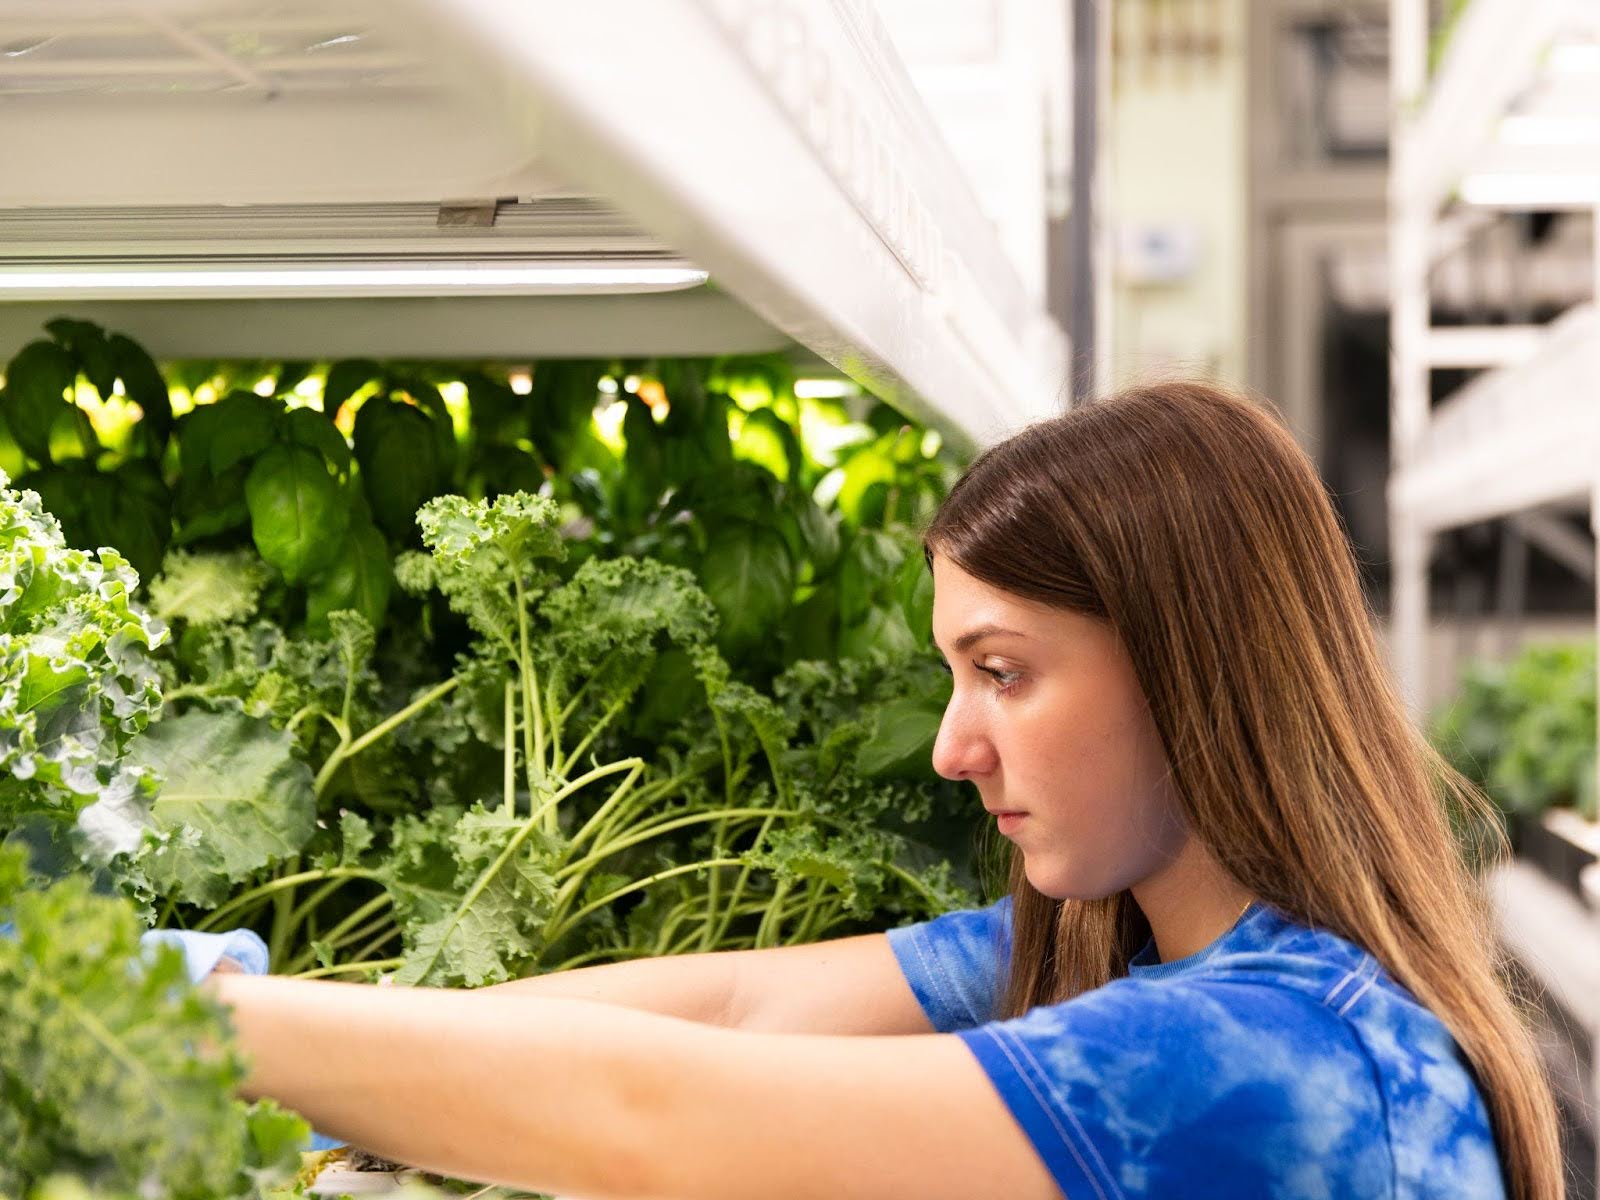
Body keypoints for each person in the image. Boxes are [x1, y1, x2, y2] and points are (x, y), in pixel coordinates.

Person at [204, 381, 1563, 1200]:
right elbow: (743, 1007)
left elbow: (659, 1121)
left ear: (1186, 671)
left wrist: (189, 1016)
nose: (952, 748)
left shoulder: (1263, 1062)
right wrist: (314, 1061)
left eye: (1005, 672)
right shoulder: (1165, 947)